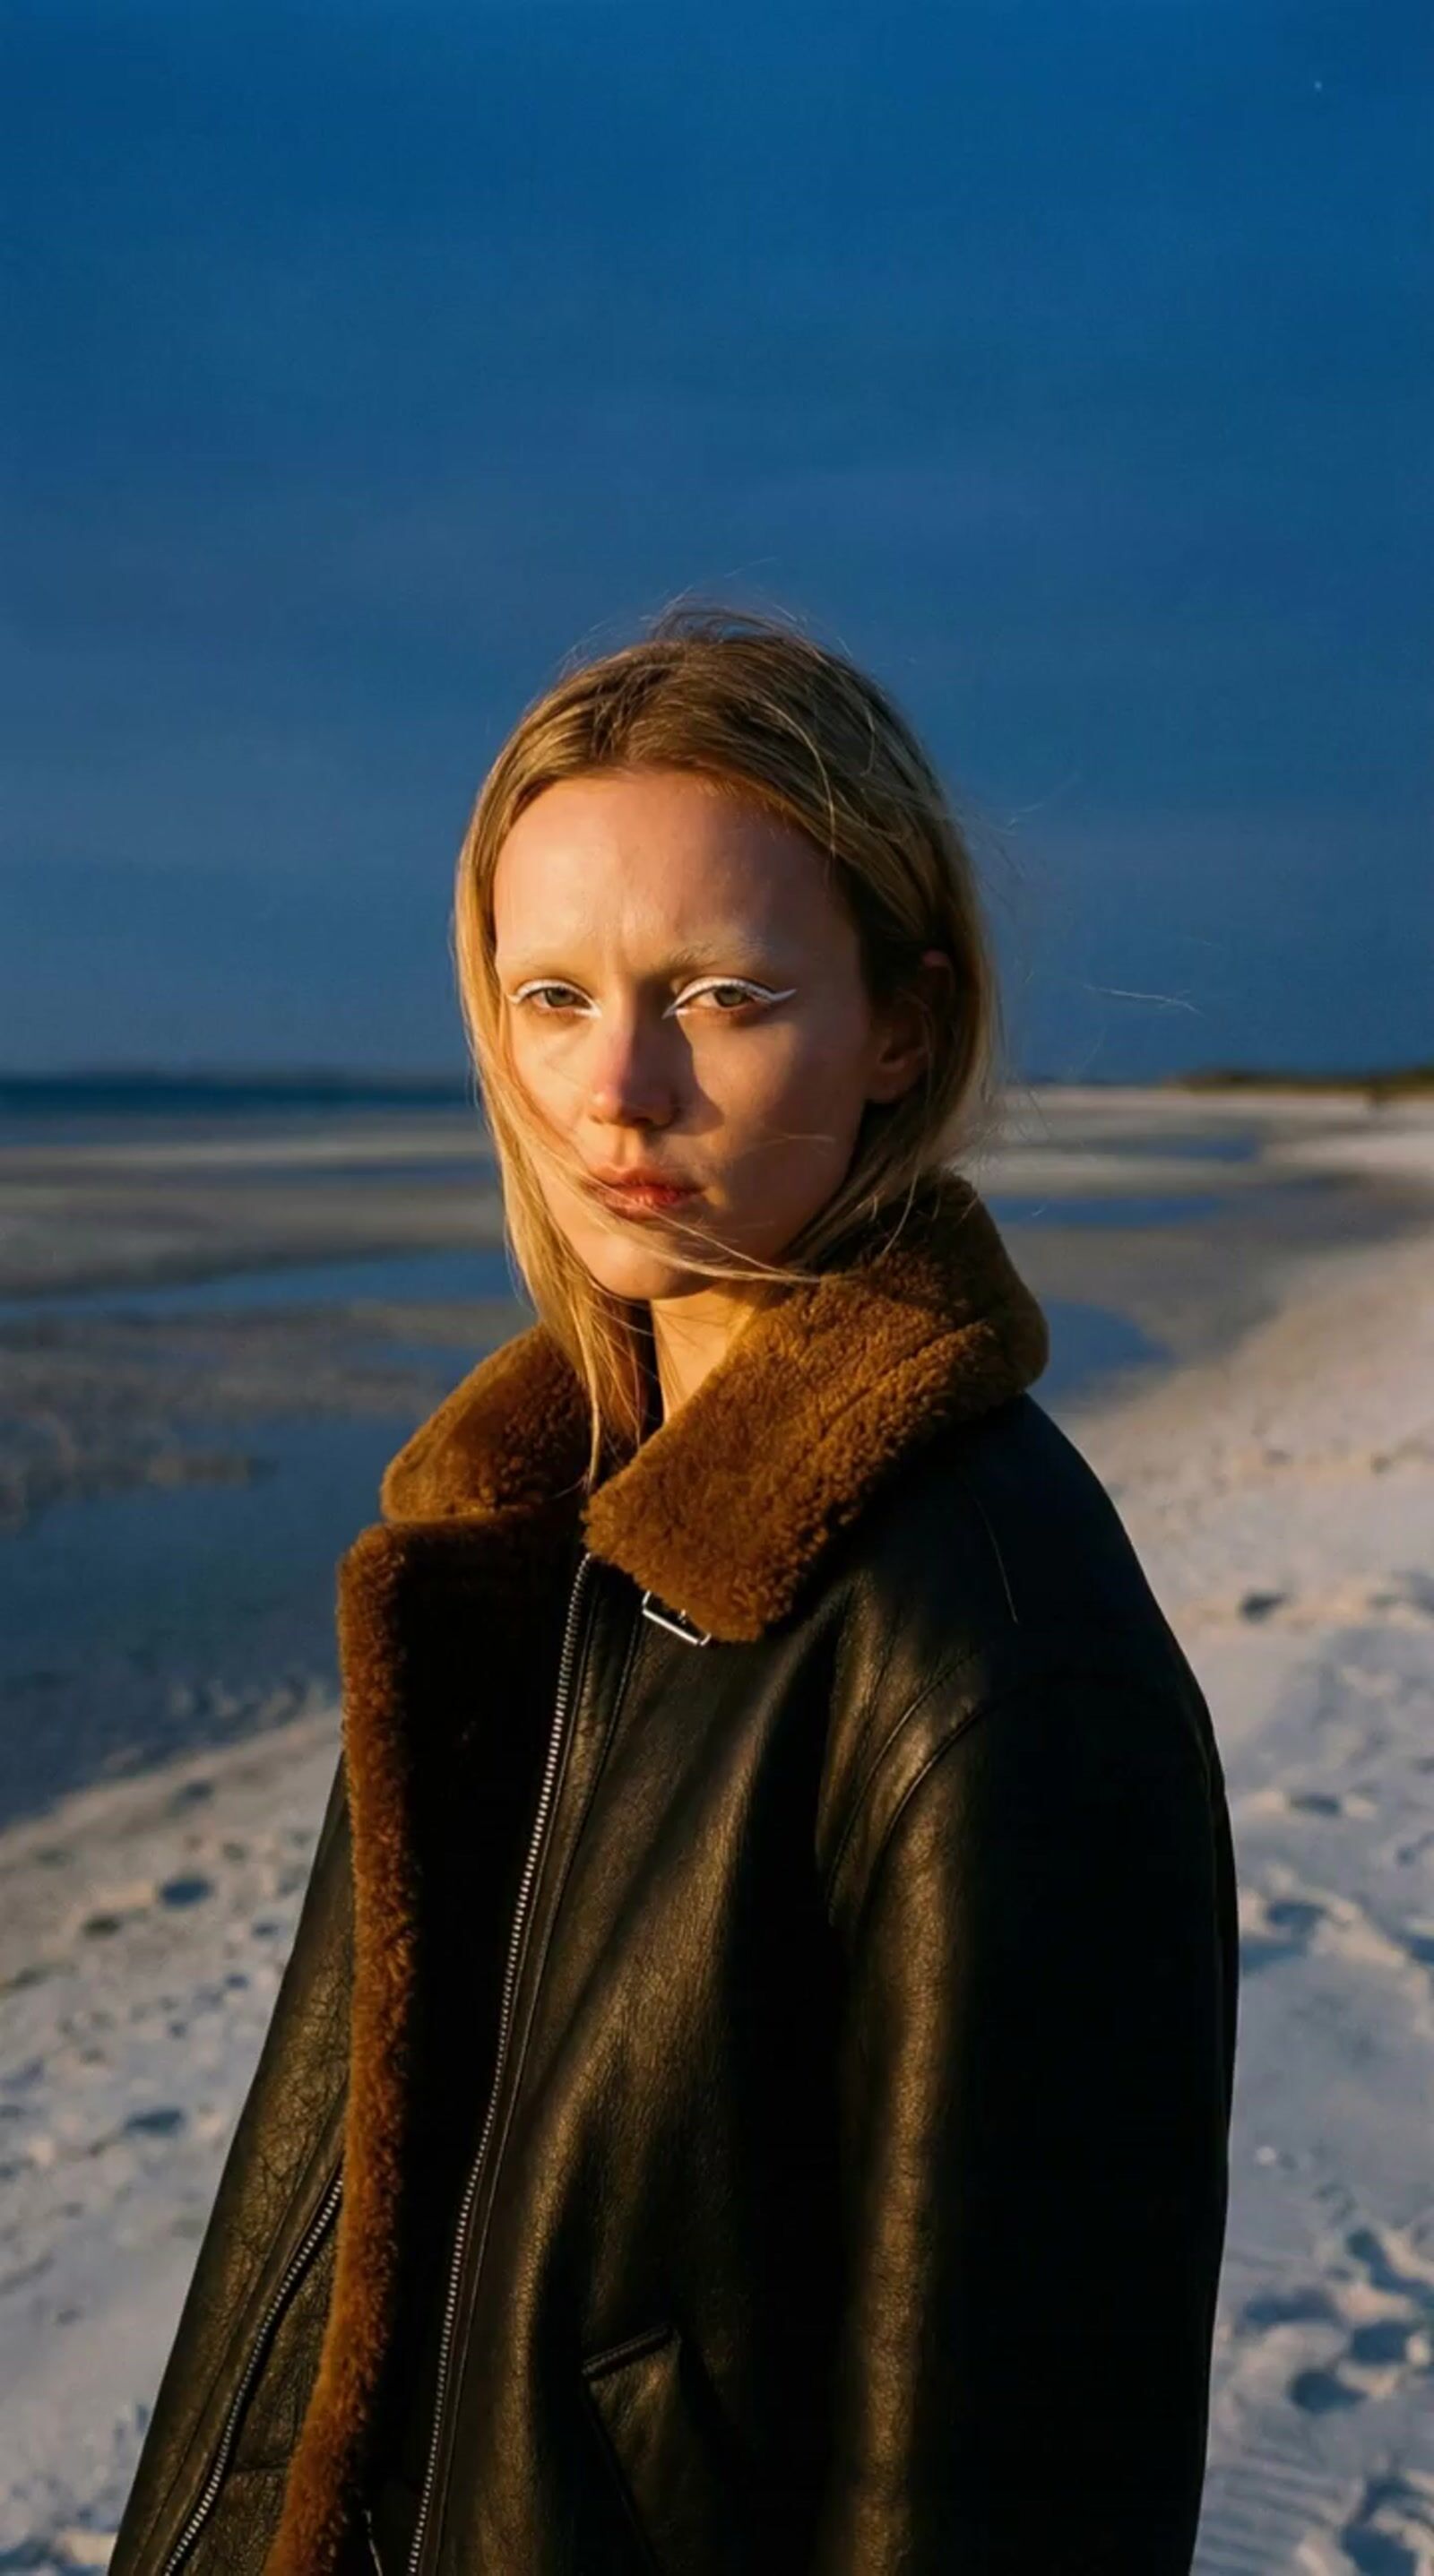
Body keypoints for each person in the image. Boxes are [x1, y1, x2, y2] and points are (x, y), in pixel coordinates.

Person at [110, 603, 1239, 2576]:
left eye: (721, 994)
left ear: (901, 1025)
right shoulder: (507, 1539)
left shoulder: (993, 1657)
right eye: (551, 996)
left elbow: (1010, 2487)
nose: (615, 1090)